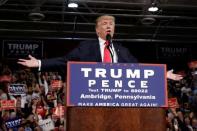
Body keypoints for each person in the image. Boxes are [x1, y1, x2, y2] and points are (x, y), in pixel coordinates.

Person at [17, 15, 182, 81]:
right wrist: (39, 63)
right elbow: (64, 61)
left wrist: (163, 74)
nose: (109, 26)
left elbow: (139, 69)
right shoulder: (85, 47)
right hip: (93, 96)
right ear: (97, 30)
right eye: (105, 23)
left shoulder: (122, 50)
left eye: (111, 24)